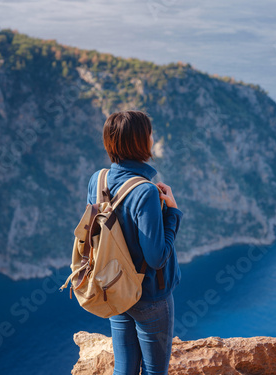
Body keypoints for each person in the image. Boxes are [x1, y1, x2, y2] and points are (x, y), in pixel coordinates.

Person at [86, 110, 183, 375]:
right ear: (141, 141)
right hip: (150, 295)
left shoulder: (98, 179)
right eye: (149, 134)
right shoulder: (145, 191)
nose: (152, 138)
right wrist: (172, 213)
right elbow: (157, 257)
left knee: (124, 368)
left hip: (114, 287)